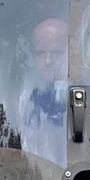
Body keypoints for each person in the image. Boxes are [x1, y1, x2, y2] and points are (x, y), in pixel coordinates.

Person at [20, 17, 69, 164]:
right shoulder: (23, 97)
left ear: (69, 52)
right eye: (41, 53)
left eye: (56, 52)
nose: (48, 61)